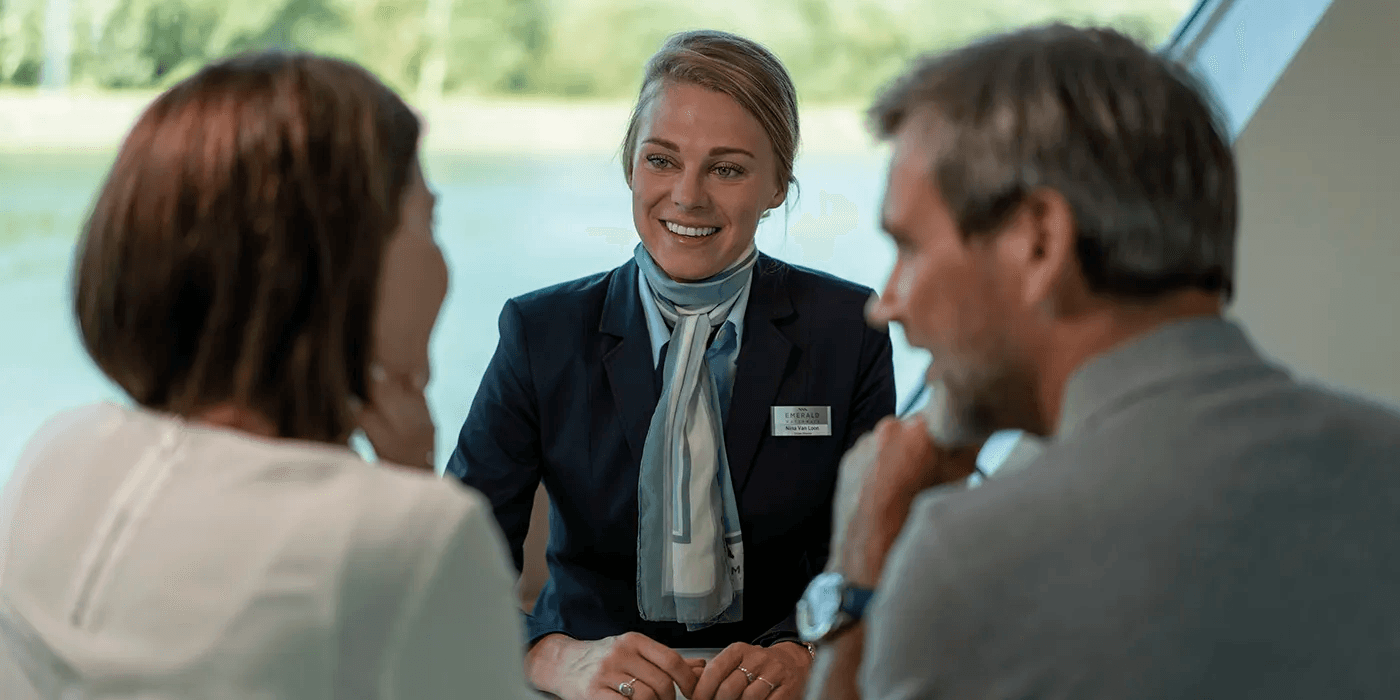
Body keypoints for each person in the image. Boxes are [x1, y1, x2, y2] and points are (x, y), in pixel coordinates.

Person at [799, 23, 1400, 699]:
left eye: (908, 248)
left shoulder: (972, 558)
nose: (887, 304)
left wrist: (860, 583)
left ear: (1039, 242)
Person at [0, 52, 536, 699]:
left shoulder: (58, 455)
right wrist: (413, 488)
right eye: (428, 221)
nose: (443, 262)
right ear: (340, 266)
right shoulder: (417, 539)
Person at [448, 29, 896, 700]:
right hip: (591, 685)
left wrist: (817, 652)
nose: (687, 196)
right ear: (630, 163)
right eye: (662, 160)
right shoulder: (541, 332)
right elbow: (455, 569)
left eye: (727, 168)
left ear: (777, 183)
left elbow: (888, 555)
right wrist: (547, 654)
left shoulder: (848, 328)